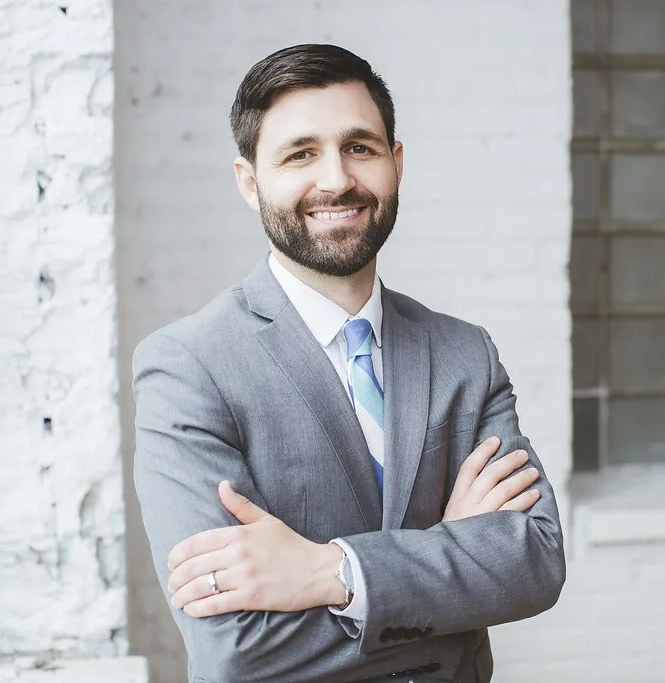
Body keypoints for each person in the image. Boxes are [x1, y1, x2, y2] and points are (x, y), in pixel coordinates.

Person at [133, 43, 565, 683]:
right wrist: (449, 578)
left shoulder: (463, 352)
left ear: (396, 164)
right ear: (251, 183)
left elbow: (533, 562)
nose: (336, 179)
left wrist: (326, 572)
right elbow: (236, 651)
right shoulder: (188, 367)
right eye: (300, 154)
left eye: (359, 147)